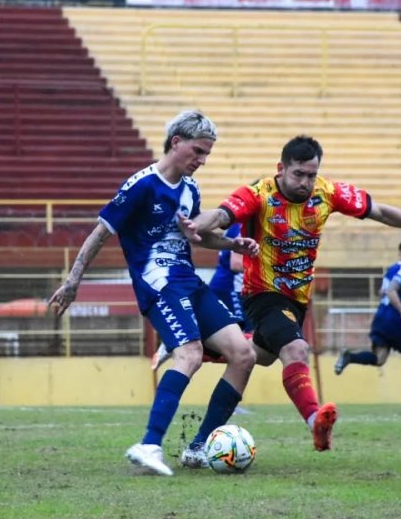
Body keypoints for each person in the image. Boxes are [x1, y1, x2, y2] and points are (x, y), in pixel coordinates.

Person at [180, 135, 401, 452]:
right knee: (296, 349)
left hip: (297, 301)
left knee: (255, 357)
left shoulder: (327, 193)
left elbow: (381, 211)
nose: (305, 183)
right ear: (281, 168)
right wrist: (193, 225)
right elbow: (221, 215)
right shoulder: (259, 194)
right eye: (298, 175)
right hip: (262, 293)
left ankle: (206, 352)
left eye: (311, 175)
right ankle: (315, 421)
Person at [48, 110, 258, 476]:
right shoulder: (142, 185)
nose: (202, 160)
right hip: (158, 283)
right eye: (197, 151)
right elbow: (100, 233)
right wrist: (73, 280)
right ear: (176, 142)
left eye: (207, 153)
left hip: (189, 281)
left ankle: (198, 448)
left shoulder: (190, 189)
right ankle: (149, 445)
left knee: (243, 354)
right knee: (190, 354)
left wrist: (233, 244)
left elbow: (197, 236)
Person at [333, 239, 401, 406]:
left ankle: (349, 357)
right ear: (400, 253)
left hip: (381, 317)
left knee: (379, 359)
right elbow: (390, 290)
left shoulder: (392, 269)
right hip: (395, 320)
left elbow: (382, 291)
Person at [150, 222, 253, 371]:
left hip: (236, 289)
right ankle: (177, 345)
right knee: (241, 341)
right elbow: (236, 263)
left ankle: (193, 349)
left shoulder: (245, 226)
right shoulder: (241, 228)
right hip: (230, 289)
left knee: (245, 342)